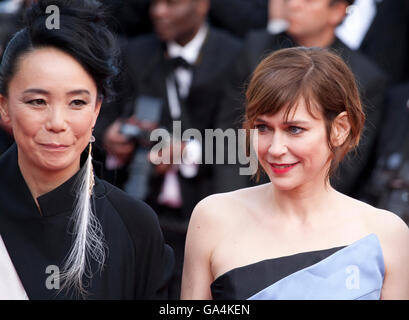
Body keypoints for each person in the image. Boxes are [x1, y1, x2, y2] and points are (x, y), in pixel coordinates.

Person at [181, 47, 409, 300]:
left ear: (340, 128)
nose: (275, 149)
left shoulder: (386, 233)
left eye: (294, 129)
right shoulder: (213, 218)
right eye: (262, 127)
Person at [0, 0, 174, 299]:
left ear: (96, 110)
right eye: (37, 101)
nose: (57, 123)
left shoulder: (135, 226)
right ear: (4, 107)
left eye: (77, 102)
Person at [95, 0, 245, 299]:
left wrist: (187, 152)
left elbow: (240, 139)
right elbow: (101, 120)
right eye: (155, 3)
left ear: (202, 5)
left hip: (203, 212)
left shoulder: (235, 55)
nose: (158, 11)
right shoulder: (134, 53)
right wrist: (110, 138)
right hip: (141, 209)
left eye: (172, 3)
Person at [219, 0, 387, 198]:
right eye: (262, 127)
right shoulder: (255, 51)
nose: (293, 4)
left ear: (337, 11)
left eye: (308, 0)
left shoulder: (364, 77)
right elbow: (229, 135)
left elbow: (348, 162)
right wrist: (237, 200)